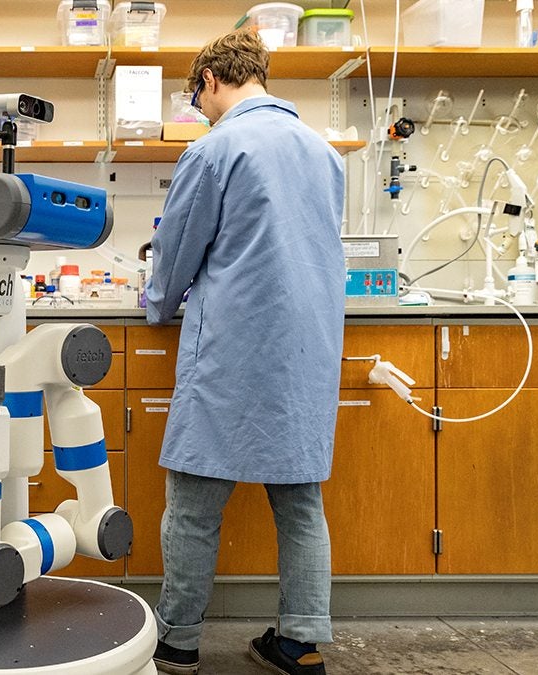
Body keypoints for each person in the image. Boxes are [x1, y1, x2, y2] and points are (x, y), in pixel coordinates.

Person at [145, 29, 345, 675]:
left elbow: (177, 252)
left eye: (194, 97)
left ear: (208, 79)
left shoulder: (216, 148)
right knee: (301, 504)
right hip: (307, 352)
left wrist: (157, 303)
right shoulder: (324, 152)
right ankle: (300, 640)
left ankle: (177, 641)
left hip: (234, 348)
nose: (198, 109)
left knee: (196, 502)